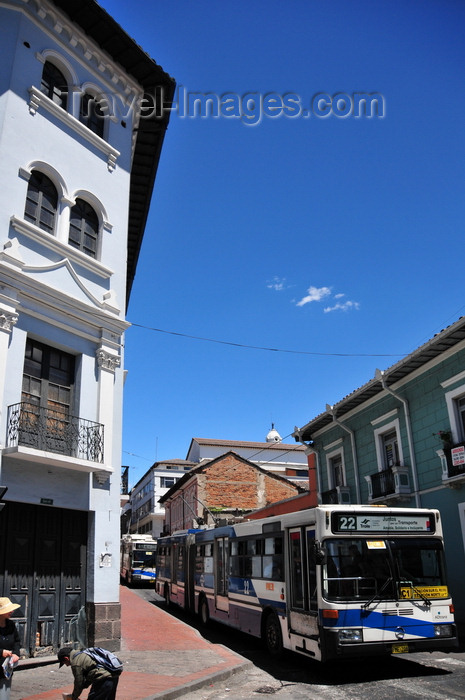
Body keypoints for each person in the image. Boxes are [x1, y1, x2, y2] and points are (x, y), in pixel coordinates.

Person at [0, 597, 21, 700]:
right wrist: (1, 652)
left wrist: (16, 653)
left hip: (6, 667)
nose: (12, 611)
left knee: (5, 694)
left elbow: (17, 641)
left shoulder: (11, 625)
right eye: (8, 610)